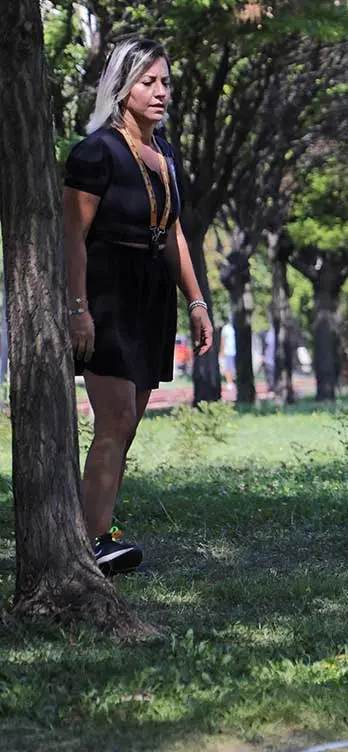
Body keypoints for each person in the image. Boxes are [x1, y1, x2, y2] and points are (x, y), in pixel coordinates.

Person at [63, 38, 214, 575]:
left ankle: (95, 534)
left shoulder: (165, 150)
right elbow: (73, 238)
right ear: (122, 87)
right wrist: (77, 309)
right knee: (116, 417)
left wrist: (196, 300)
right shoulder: (94, 151)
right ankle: (91, 543)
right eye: (148, 82)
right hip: (106, 292)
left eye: (165, 82)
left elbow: (173, 228)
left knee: (127, 426)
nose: (160, 92)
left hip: (152, 295)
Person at [220, 319, 236, 386]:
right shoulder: (226, 328)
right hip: (228, 351)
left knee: (235, 368)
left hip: (236, 351)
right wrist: (222, 351)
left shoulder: (237, 327)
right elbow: (223, 340)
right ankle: (229, 383)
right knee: (228, 368)